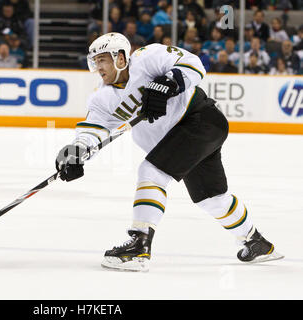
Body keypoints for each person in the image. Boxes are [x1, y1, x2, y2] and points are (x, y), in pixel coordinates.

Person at [54, 32, 283, 272]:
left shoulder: (148, 57)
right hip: (184, 139)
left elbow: (194, 64)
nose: (98, 67)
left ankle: (139, 245)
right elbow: (93, 131)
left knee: (150, 172)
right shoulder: (101, 99)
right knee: (212, 199)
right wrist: (76, 152)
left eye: (102, 60)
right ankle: (257, 242)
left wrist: (168, 83)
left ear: (120, 58)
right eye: (95, 62)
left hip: (200, 120)